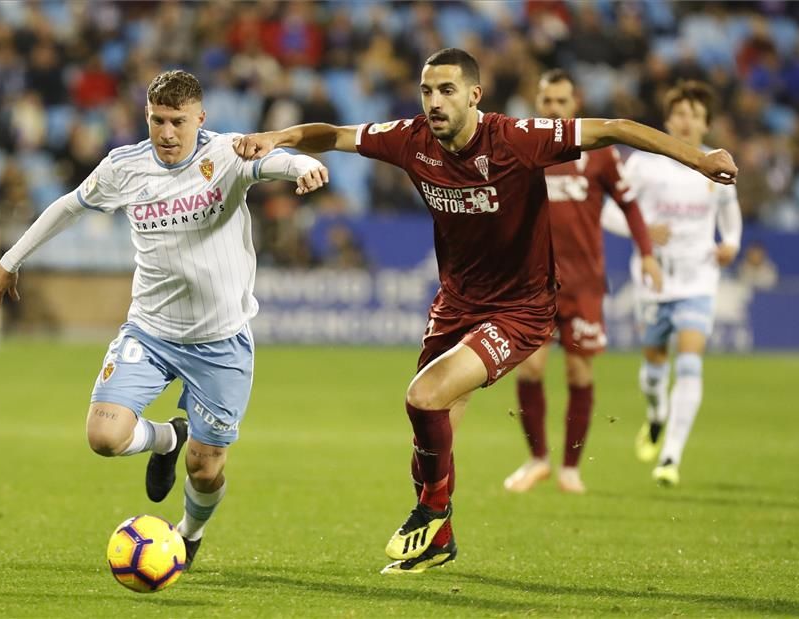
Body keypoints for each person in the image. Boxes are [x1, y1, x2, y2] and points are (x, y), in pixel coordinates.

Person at [233, 48, 737, 574]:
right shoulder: (411, 140)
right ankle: (440, 537)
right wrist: (279, 138)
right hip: (456, 303)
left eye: (447, 90)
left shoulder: (518, 138)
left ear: (475, 95)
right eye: (427, 91)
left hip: (521, 308)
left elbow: (613, 128)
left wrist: (697, 158)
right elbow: (336, 135)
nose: (434, 101)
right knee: (430, 437)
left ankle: (435, 510)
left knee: (424, 397)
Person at [0, 70, 328, 569]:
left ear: (200, 119)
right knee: (104, 437)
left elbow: (275, 161)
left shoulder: (226, 153)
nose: (166, 133)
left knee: (206, 470)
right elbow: (68, 207)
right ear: (146, 116)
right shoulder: (125, 166)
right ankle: (167, 437)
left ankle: (188, 533)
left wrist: (302, 166)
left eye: (178, 122)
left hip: (220, 341)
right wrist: (10, 260)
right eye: (157, 120)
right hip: (150, 332)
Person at [502, 69, 663, 496]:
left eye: (561, 102)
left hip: (584, 285)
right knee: (531, 367)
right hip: (532, 283)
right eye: (546, 101)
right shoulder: (525, 149)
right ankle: (537, 459)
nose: (553, 109)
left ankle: (571, 468)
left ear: (575, 105)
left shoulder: (599, 154)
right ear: (538, 104)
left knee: (578, 372)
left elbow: (629, 206)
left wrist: (646, 253)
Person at [601, 80, 742, 487]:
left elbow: (731, 216)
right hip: (654, 279)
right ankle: (656, 414)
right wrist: (641, 230)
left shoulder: (715, 165)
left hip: (699, 278)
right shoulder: (645, 164)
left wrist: (730, 243)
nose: (686, 121)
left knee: (691, 361)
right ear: (668, 119)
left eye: (695, 115)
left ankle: (670, 456)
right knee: (653, 368)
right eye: (680, 113)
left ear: (706, 124)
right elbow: (610, 213)